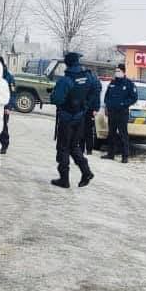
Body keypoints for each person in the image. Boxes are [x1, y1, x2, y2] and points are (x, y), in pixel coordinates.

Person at [50, 52, 99, 189]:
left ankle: (64, 179)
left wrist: (55, 94)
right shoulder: (88, 76)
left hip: (67, 117)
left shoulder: (66, 80)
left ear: (67, 63)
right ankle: (86, 171)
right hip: (80, 117)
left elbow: (56, 99)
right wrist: (87, 104)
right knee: (74, 147)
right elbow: (96, 89)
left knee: (63, 148)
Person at [101, 64, 137, 163]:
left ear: (123, 72)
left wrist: (123, 104)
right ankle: (110, 154)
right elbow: (107, 96)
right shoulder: (113, 83)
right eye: (116, 71)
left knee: (123, 135)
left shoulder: (129, 83)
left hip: (122, 113)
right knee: (111, 134)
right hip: (112, 113)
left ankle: (125, 156)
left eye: (118, 71)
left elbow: (134, 98)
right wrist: (107, 105)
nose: (117, 73)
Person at [79, 68, 102, 155]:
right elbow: (97, 97)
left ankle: (81, 148)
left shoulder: (84, 80)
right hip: (92, 109)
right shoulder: (97, 81)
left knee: (81, 129)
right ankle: (89, 150)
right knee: (89, 130)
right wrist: (96, 108)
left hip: (83, 108)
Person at [0, 56, 16, 155]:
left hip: (4, 107)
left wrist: (8, 107)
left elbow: (12, 94)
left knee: (3, 127)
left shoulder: (8, 77)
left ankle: (4, 146)